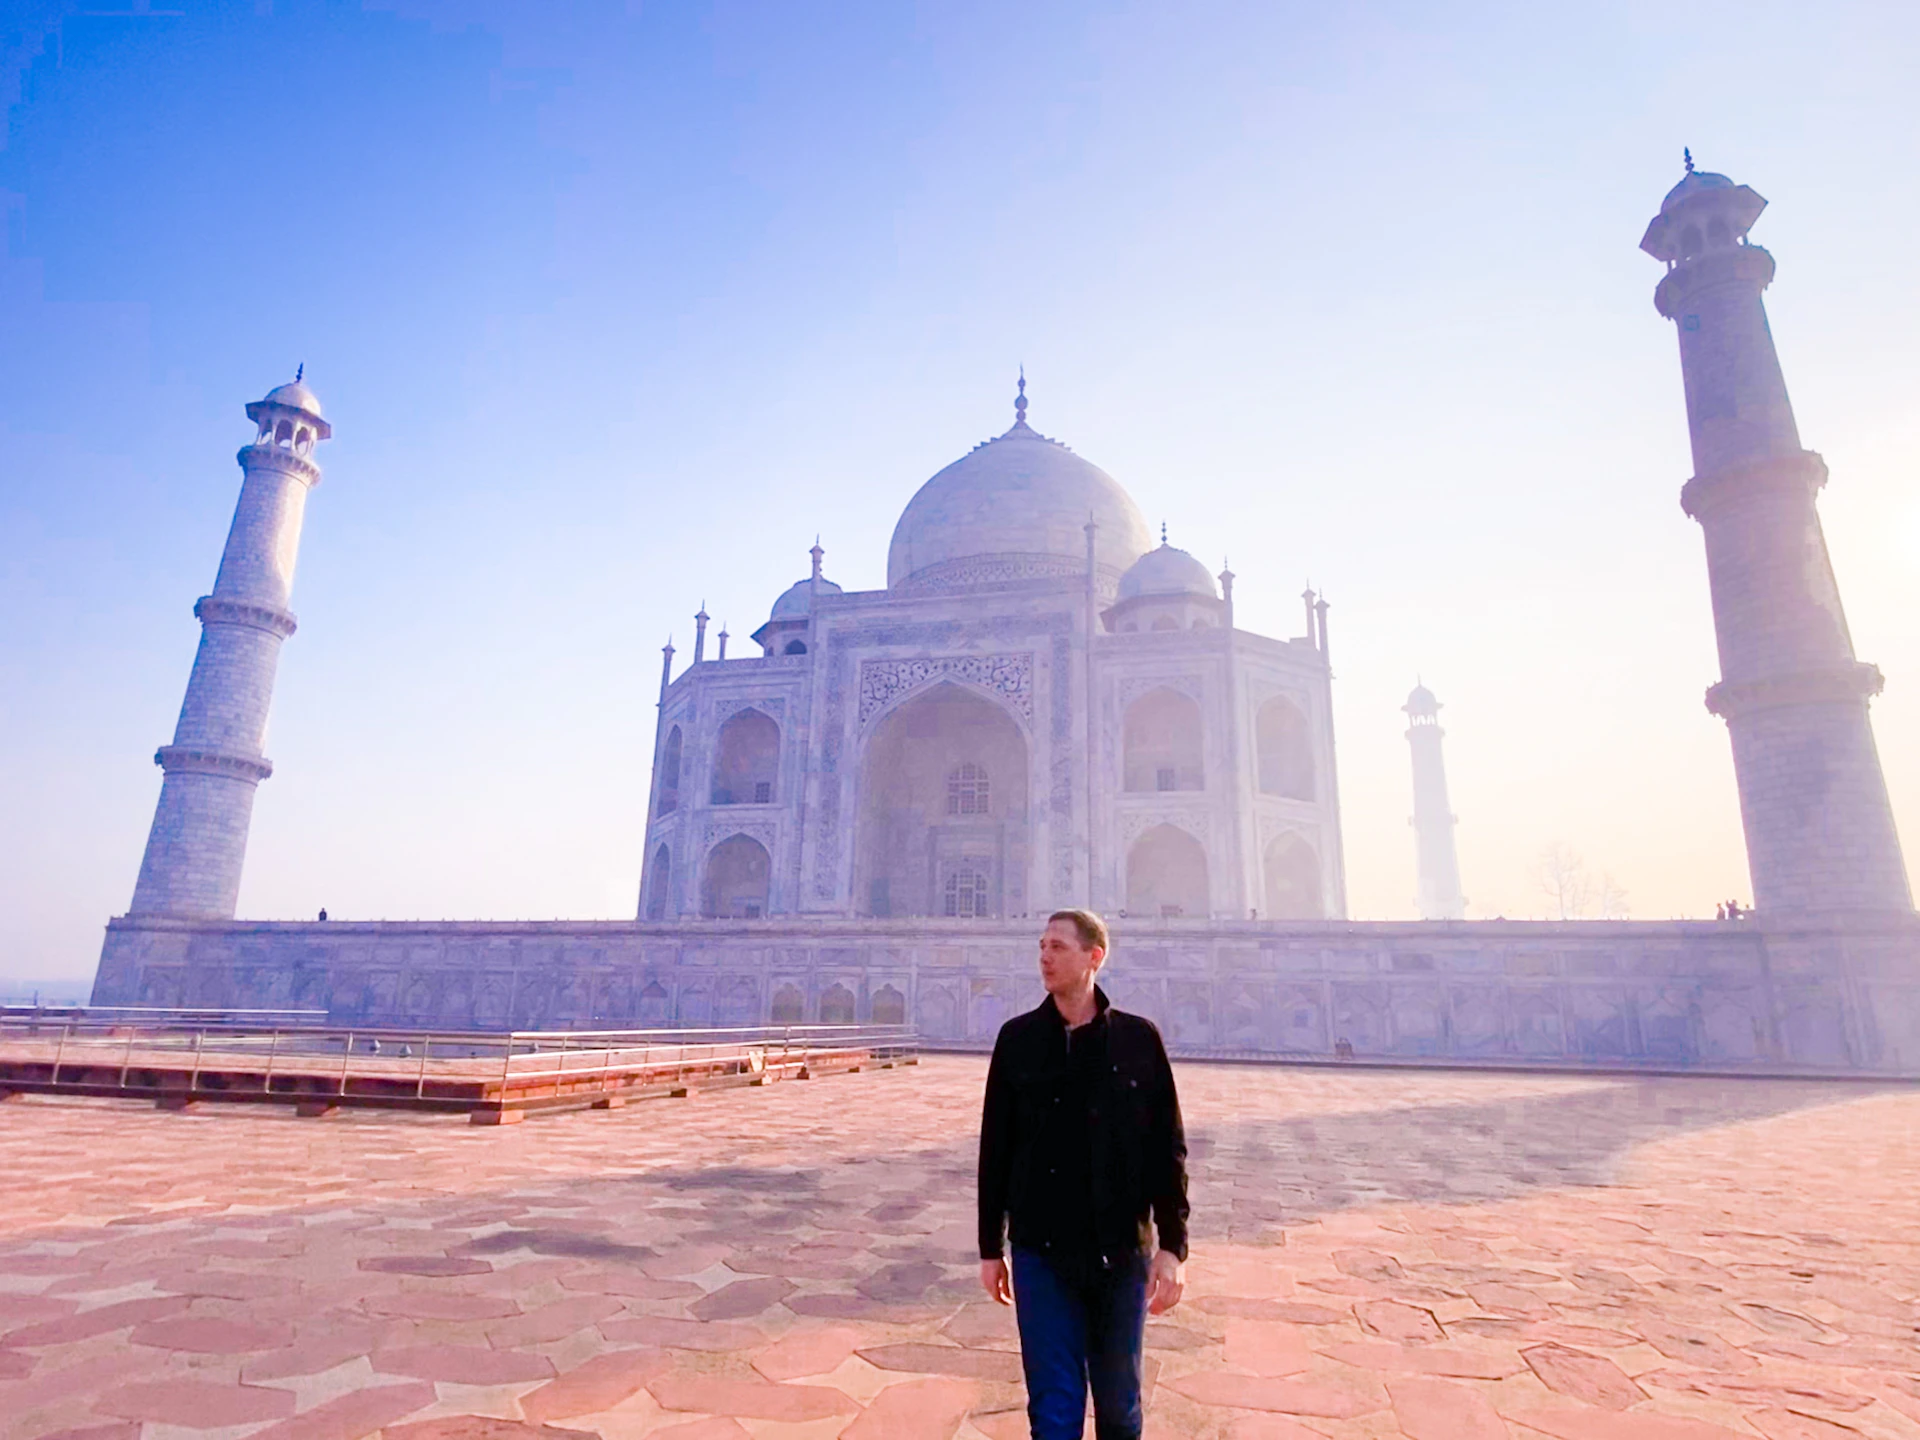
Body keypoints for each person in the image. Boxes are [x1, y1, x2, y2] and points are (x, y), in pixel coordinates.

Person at [978, 908, 1188, 1440]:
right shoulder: (1019, 1039)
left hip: (1119, 1251)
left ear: (1094, 957)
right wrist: (989, 1248)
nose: (1045, 957)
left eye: (1058, 947)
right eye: (1041, 946)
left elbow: (1167, 1149)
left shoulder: (1138, 1041)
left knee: (1119, 1409)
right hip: (1041, 1252)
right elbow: (995, 1150)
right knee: (1053, 1412)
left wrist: (1173, 1246)